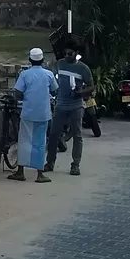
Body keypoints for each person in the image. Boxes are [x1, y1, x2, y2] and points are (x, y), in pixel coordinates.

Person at [46, 38, 93, 175]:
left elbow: (91, 87)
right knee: (54, 135)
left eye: (70, 54)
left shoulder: (83, 68)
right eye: (65, 53)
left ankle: (75, 165)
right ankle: (50, 163)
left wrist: (80, 92)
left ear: (76, 53)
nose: (67, 56)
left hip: (76, 106)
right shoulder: (59, 64)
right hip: (60, 105)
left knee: (77, 136)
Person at [10, 49, 57, 184]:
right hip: (43, 113)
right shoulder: (49, 74)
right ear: (42, 61)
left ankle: (20, 171)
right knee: (40, 142)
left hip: (28, 112)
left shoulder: (24, 74)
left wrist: (26, 97)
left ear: (30, 60)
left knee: (24, 140)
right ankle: (39, 174)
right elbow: (54, 89)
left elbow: (18, 92)